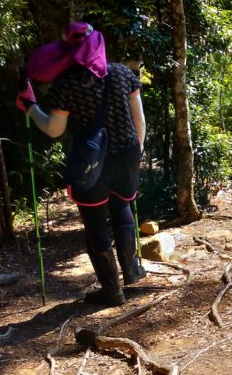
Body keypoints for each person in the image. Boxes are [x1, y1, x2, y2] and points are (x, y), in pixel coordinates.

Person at [16, 22, 146, 306]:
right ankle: (132, 272)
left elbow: (54, 129)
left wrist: (31, 107)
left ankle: (112, 292)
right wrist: (138, 150)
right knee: (122, 207)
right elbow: (139, 119)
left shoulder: (66, 83)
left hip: (91, 162)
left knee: (95, 223)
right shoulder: (123, 73)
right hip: (126, 154)